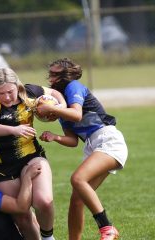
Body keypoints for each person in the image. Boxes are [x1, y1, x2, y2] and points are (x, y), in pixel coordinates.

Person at [38, 57, 128, 240]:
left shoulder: (73, 87)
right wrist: (56, 137)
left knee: (78, 179)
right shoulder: (62, 107)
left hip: (108, 140)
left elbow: (77, 115)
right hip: (92, 145)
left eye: (56, 75)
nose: (51, 79)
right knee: (76, 200)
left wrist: (51, 109)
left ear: (66, 76)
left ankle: (107, 227)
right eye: (51, 74)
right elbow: (73, 141)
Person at [0, 68, 65, 240]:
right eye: (2, 93)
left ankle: (48, 237)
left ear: (17, 86)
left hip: (32, 156)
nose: (7, 97)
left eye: (10, 91)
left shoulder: (30, 92)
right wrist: (14, 130)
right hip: (2, 167)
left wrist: (61, 107)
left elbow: (54, 92)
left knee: (43, 201)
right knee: (22, 215)